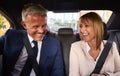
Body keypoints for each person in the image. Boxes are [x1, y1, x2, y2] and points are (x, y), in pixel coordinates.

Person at [0, 3, 64, 76]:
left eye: (44, 25)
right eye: (35, 27)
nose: (41, 31)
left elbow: (58, 72)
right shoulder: (11, 36)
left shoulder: (54, 44)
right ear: (24, 25)